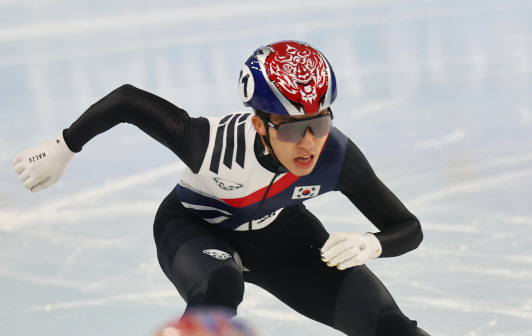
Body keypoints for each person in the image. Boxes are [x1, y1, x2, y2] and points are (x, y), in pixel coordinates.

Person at [12, 40, 429, 336]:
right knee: (220, 290)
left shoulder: (336, 155)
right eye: (292, 130)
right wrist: (63, 147)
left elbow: (407, 227)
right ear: (259, 125)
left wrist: (373, 243)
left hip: (280, 237)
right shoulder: (210, 143)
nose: (308, 144)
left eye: (319, 123)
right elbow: (128, 101)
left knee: (388, 326)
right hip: (195, 229)